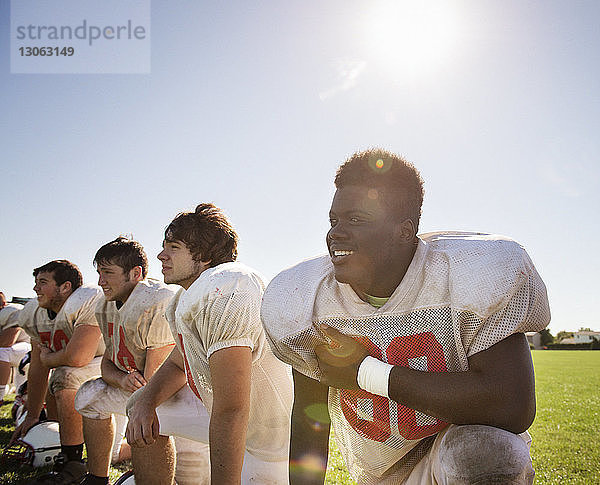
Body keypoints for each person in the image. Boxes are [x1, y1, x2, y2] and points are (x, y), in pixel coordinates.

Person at [261, 148, 551, 484]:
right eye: (334, 220)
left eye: (356, 220)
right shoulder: (309, 299)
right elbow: (310, 418)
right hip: (379, 472)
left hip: (447, 458)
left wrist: (364, 373)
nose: (335, 233)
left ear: (404, 230)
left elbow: (512, 405)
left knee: (486, 451)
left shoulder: (467, 275)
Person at [125, 203, 293, 485]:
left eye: (173, 247)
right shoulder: (186, 298)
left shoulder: (229, 285)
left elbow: (233, 408)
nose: (160, 255)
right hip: (233, 421)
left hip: (270, 444)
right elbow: (179, 361)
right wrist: (146, 400)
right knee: (141, 406)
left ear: (202, 256)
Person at [74, 237, 177, 485]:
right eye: (99, 272)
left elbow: (156, 377)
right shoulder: (106, 306)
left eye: (108, 272)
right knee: (90, 395)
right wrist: (122, 378)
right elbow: (107, 364)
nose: (101, 281)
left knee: (193, 476)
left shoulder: (156, 300)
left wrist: (139, 390)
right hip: (141, 388)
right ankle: (97, 478)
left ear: (135, 273)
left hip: (177, 392)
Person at [13, 260, 104, 485]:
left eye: (43, 282)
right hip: (83, 370)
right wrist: (33, 414)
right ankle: (67, 447)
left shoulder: (87, 299)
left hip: (113, 365)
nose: (36, 289)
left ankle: (73, 462)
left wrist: (49, 358)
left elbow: (78, 356)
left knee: (65, 374)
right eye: (36, 282)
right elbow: (37, 367)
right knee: (60, 378)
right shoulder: (36, 313)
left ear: (65, 287)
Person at [0, 291, 30, 405]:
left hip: (30, 351)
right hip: (19, 352)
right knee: (20, 398)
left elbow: (6, 342)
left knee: (2, 352)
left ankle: (0, 395)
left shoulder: (11, 310)